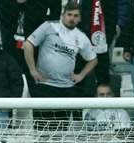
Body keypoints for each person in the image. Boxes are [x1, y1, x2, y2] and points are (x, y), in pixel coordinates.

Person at [23, 1, 97, 130]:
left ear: (79, 19)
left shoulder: (81, 37)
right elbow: (28, 44)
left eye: (75, 16)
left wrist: (81, 75)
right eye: (69, 14)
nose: (72, 18)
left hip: (66, 89)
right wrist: (33, 70)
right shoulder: (48, 26)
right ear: (63, 15)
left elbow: (93, 60)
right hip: (45, 87)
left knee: (60, 133)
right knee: (42, 131)